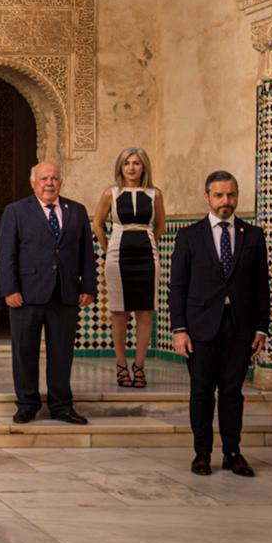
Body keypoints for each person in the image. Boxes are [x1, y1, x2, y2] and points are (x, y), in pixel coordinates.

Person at [170, 170, 269, 477]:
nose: (225, 201)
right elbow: (178, 287)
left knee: (232, 393)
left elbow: (261, 286)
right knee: (201, 391)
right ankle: (202, 453)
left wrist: (261, 328)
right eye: (219, 195)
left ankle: (232, 452)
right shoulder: (189, 236)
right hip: (200, 327)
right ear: (207, 197)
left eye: (231, 195)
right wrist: (179, 329)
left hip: (240, 328)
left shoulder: (252, 235)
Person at [0, 160, 97, 425]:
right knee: (24, 352)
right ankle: (27, 404)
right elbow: (6, 253)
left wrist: (88, 286)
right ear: (33, 183)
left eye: (54, 178)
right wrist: (10, 289)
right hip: (26, 295)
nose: (49, 183)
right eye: (43, 179)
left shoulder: (76, 211)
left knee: (62, 353)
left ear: (60, 182)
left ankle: (62, 406)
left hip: (65, 294)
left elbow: (86, 252)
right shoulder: (16, 211)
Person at [95, 147, 165, 389]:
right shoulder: (111, 193)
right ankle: (121, 364)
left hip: (147, 256)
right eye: (127, 163)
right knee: (119, 312)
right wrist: (107, 248)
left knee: (145, 312)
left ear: (144, 167)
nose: (132, 167)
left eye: (136, 163)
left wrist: (150, 243)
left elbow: (160, 225)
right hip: (117, 256)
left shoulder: (155, 194)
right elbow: (97, 224)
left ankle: (139, 365)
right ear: (121, 167)